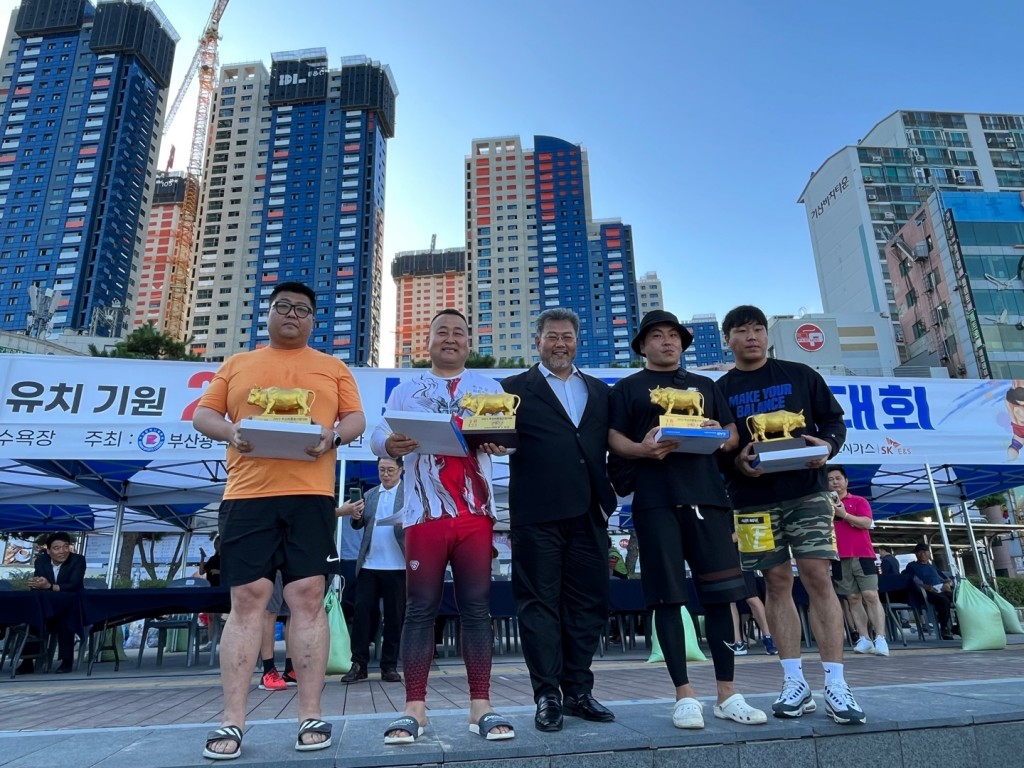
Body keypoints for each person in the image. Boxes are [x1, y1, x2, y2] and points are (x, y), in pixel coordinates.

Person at [193, 281, 365, 760]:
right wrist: (231, 431)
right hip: (248, 496)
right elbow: (204, 416)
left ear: (313, 321)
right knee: (247, 599)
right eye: (283, 306)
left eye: (303, 310)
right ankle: (232, 720)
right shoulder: (238, 363)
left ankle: (310, 713)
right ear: (267, 314)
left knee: (307, 596)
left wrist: (332, 438)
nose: (292, 314)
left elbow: (355, 420)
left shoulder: (333, 367)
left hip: (311, 495)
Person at [609, 309, 766, 730]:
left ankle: (727, 693)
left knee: (721, 596)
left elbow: (733, 435)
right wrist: (642, 450)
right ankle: (684, 694)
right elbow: (613, 439)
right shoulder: (626, 389)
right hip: (655, 501)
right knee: (667, 598)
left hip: (709, 500)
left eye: (674, 335)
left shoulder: (706, 385)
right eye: (657, 336)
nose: (668, 342)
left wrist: (720, 434)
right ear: (642, 346)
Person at [716, 305, 864, 725]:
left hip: (807, 494)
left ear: (767, 336)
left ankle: (836, 683)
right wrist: (736, 464)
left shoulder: (800, 375)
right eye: (741, 331)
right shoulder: (719, 389)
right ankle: (793, 681)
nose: (751, 337)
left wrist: (827, 447)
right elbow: (718, 448)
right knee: (775, 582)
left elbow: (834, 422)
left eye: (757, 329)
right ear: (728, 340)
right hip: (751, 501)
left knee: (818, 576)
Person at [371, 308, 514, 744]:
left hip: (475, 514)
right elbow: (377, 435)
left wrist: (500, 443)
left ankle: (480, 705)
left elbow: (508, 438)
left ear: (469, 343)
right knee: (419, 608)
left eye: (459, 333)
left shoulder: (489, 387)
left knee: (476, 608)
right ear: (428, 341)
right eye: (442, 332)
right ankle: (414, 708)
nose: (451, 339)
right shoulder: (406, 390)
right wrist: (389, 443)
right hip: (424, 513)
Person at [502, 307, 619, 732]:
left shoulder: (600, 391)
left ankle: (578, 691)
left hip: (589, 511)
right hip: (536, 514)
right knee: (538, 605)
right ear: (537, 341)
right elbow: (492, 437)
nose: (560, 344)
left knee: (589, 604)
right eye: (552, 336)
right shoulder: (512, 389)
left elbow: (614, 443)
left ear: (577, 341)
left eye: (567, 336)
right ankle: (547, 694)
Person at [341, 456, 406, 684]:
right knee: (362, 614)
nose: (385, 474)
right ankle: (359, 663)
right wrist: (355, 515)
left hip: (398, 564)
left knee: (395, 616)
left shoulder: (410, 494)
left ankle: (389, 665)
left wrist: (407, 524)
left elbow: (422, 522)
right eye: (381, 470)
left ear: (401, 469)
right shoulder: (370, 495)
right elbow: (358, 524)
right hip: (369, 564)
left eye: (390, 470)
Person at [827, 465, 888, 657]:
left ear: (846, 481)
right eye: (830, 479)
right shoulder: (824, 505)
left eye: (838, 478)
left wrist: (844, 514)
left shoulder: (859, 501)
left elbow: (866, 523)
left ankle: (880, 637)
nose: (834, 482)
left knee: (871, 595)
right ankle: (864, 638)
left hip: (863, 554)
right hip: (838, 556)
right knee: (852, 598)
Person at [27, 532, 86, 674]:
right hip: (48, 605)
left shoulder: (77, 560)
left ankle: (67, 661)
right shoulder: (41, 561)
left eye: (66, 546)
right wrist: (37, 583)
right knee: (33, 617)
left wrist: (50, 586)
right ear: (48, 551)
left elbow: (74, 585)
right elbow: (40, 582)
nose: (62, 551)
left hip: (72, 605)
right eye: (57, 548)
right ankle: (27, 661)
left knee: (65, 620)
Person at [904, 542, 955, 640]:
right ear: (916, 554)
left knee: (958, 598)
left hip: (941, 589)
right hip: (927, 593)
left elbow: (946, 578)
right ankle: (944, 627)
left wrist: (947, 584)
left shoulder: (932, 566)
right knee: (944, 600)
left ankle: (958, 626)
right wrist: (926, 587)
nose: (922, 554)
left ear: (928, 553)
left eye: (924, 552)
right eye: (919, 552)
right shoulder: (912, 566)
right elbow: (912, 581)